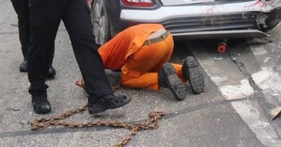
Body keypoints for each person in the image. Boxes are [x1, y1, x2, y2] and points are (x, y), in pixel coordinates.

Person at [76, 24, 205, 101]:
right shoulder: (115, 44)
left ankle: (160, 79)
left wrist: (85, 79)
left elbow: (92, 66)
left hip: (148, 45)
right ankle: (184, 70)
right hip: (166, 38)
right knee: (154, 68)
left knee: (127, 78)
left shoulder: (101, 52)